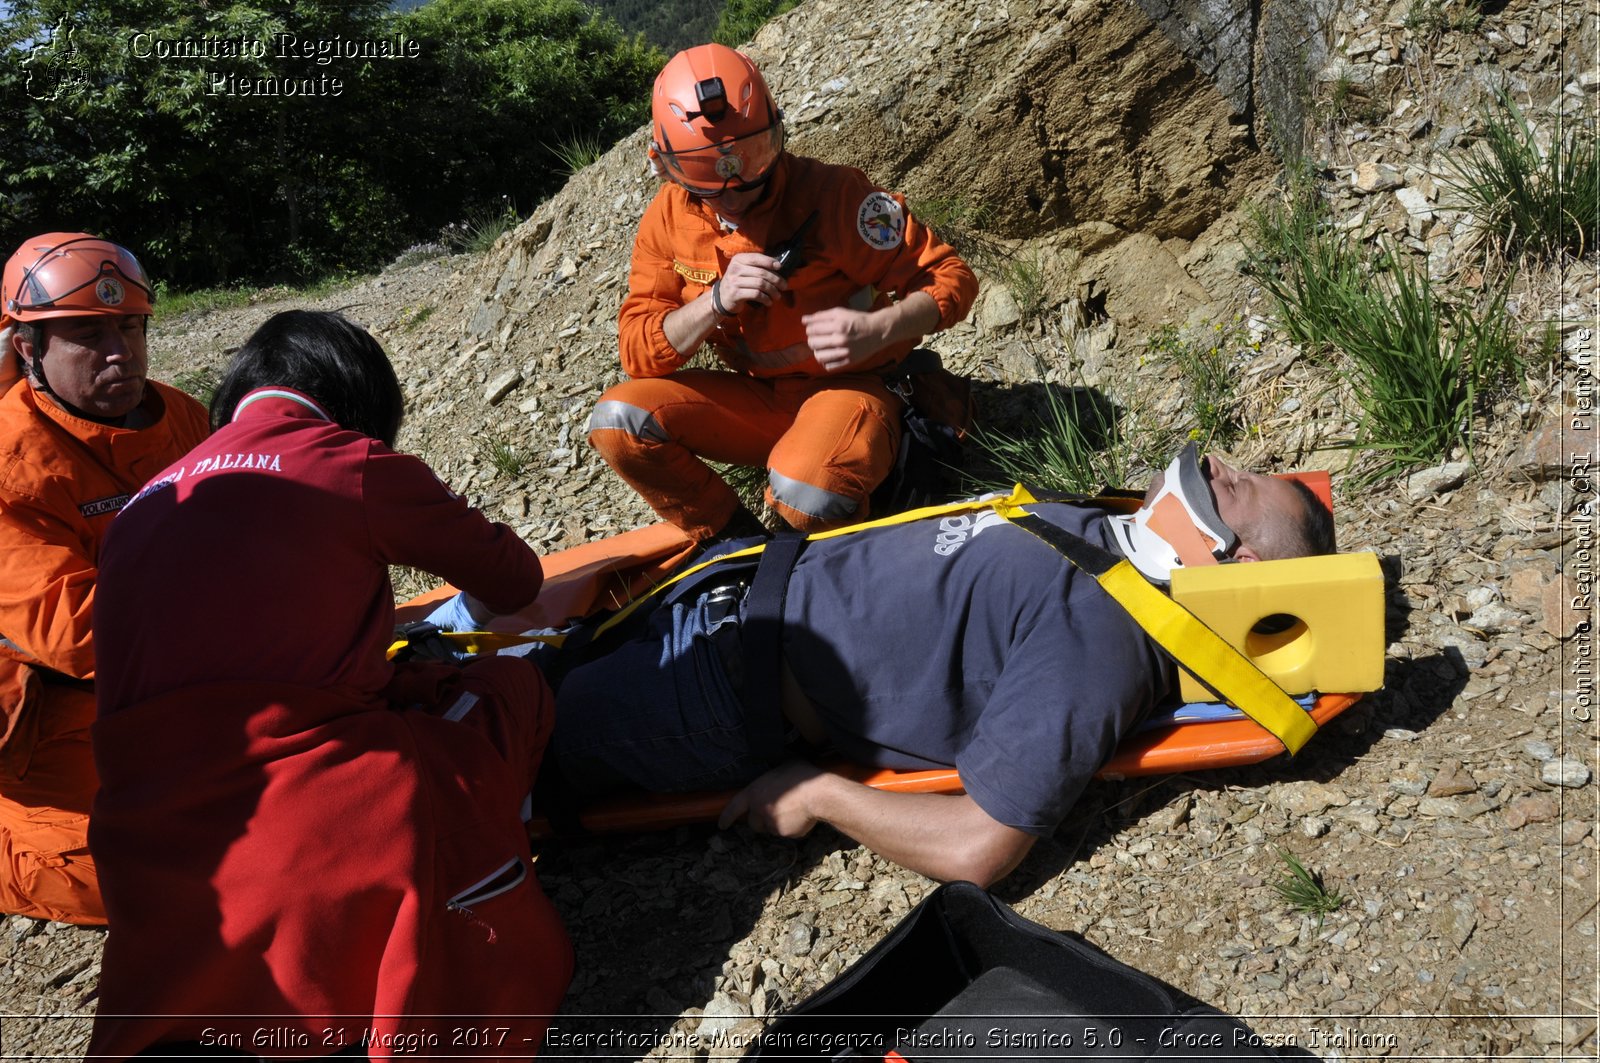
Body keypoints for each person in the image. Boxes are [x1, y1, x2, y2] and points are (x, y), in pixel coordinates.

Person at [86, 311, 572, 1058]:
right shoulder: (345, 460)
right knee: (509, 690)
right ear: (357, 398)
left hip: (144, 843)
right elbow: (516, 580)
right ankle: (487, 893)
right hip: (317, 816)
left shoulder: (142, 504)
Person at [549, 445, 1336, 887]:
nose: (1224, 464)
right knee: (512, 678)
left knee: (492, 733)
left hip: (715, 688)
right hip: (732, 585)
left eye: (1240, 489)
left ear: (1242, 561)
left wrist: (821, 794)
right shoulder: (1116, 532)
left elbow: (979, 846)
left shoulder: (1106, 638)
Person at [587, 43, 979, 544]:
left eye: (753, 154)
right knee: (619, 421)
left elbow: (950, 277)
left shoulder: (836, 196)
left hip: (852, 387)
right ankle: (737, 547)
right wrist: (715, 303)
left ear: (778, 129)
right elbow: (638, 351)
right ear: (662, 165)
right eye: (707, 169)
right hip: (761, 401)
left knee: (807, 494)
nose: (737, 184)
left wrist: (881, 327)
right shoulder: (668, 219)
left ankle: (852, 515)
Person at [0, 232, 210, 925]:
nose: (119, 351)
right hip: (47, 715)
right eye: (88, 335)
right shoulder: (11, 464)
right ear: (27, 348)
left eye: (128, 325)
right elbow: (79, 629)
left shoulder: (181, 418)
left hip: (179, 679)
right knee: (141, 874)